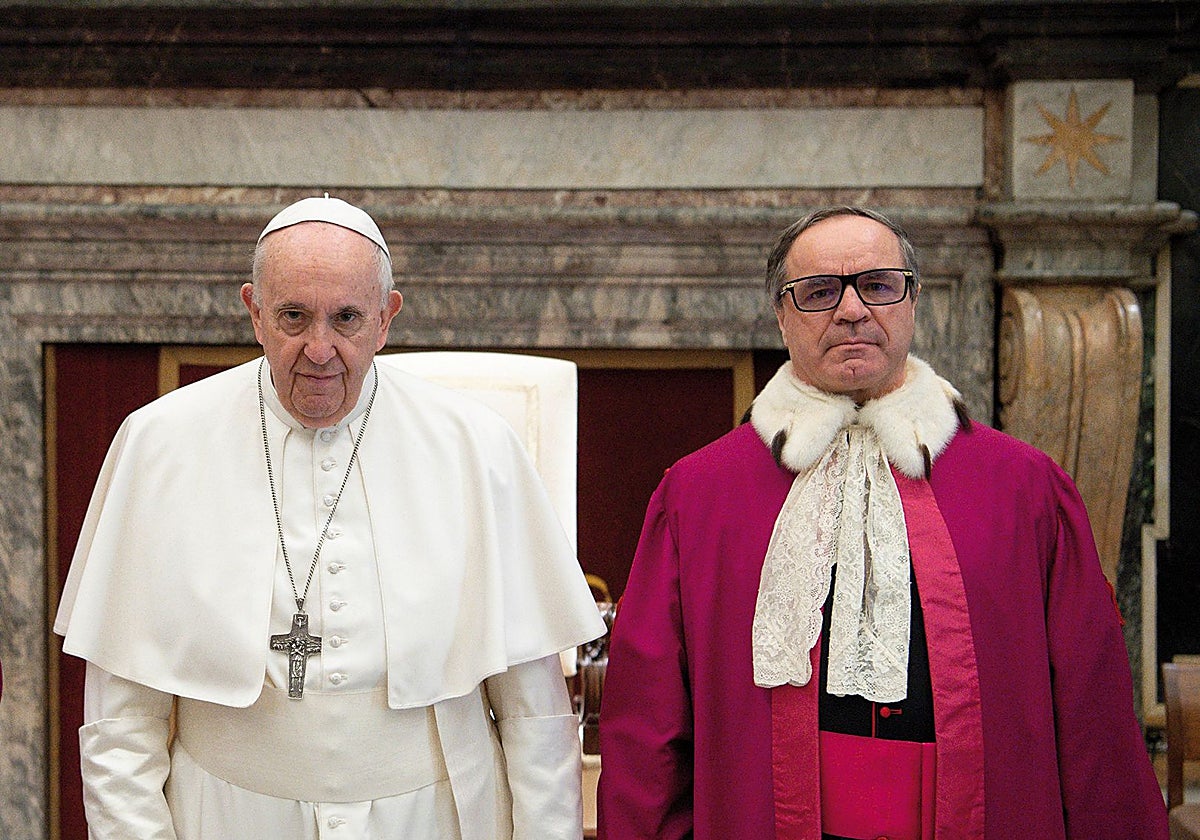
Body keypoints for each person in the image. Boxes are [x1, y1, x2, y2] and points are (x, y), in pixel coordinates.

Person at [596, 206, 1168, 840]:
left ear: (912, 302)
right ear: (783, 317)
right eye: (818, 293)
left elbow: (1095, 719)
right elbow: (646, 724)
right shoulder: (699, 496)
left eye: (879, 285)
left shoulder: (1024, 490)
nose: (851, 311)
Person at [55, 195, 605, 840]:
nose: (321, 350)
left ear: (386, 319)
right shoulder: (160, 444)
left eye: (346, 319)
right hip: (226, 818)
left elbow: (534, 715)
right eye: (294, 317)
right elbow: (122, 724)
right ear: (254, 313)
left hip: (437, 818)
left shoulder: (475, 447)